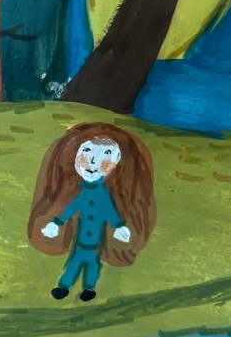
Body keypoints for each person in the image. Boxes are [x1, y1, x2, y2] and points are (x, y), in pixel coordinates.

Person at [27, 122, 156, 302]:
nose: (93, 162)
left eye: (106, 156)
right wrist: (57, 223)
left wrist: (119, 226)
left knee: (92, 264)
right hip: (81, 242)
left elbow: (109, 211)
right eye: (87, 152)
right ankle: (64, 286)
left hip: (94, 244)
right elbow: (72, 208)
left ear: (116, 164)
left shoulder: (103, 195)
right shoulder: (83, 193)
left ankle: (89, 288)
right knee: (74, 263)